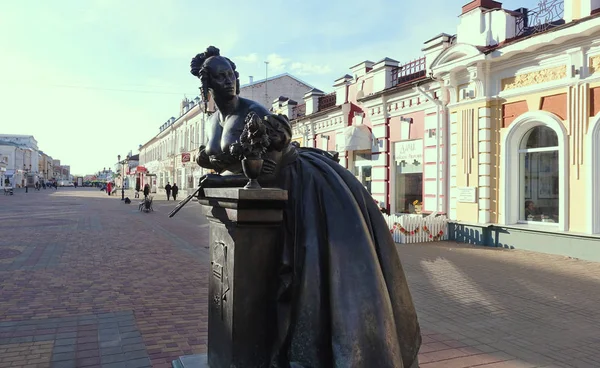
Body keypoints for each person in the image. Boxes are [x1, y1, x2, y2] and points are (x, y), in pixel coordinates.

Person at [189, 46, 420, 368]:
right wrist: (214, 173)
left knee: (320, 271)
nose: (228, 81)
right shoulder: (212, 121)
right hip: (255, 200)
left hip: (300, 188)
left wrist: (215, 180)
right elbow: (230, 165)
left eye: (231, 74)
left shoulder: (254, 112)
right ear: (207, 85)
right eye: (219, 77)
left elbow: (264, 173)